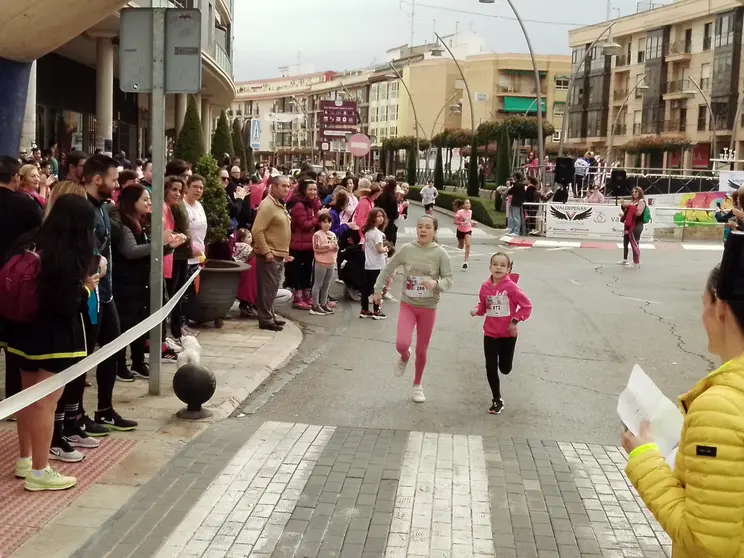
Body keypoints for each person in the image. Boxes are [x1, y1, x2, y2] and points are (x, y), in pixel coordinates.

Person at [621, 234, 744, 558]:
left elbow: (707, 545)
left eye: (702, 304)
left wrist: (645, 456)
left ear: (720, 309)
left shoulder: (720, 409)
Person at [1, 194, 98, 491]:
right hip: (54, 339)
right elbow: (67, 305)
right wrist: (87, 287)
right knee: (46, 403)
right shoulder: (68, 252)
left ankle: (25, 460)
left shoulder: (30, 239)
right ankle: (41, 473)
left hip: (20, 332)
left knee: (27, 398)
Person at [82, 154, 138, 433]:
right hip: (90, 292)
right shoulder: (84, 208)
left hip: (107, 291)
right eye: (113, 179)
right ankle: (75, 414)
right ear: (97, 179)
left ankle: (104, 409)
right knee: (84, 354)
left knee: (113, 349)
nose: (116, 185)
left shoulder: (104, 207)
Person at [373, 215, 453, 403]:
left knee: (422, 350)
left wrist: (436, 283)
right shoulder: (407, 249)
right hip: (408, 305)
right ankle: (404, 356)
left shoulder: (441, 253)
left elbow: (449, 279)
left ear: (434, 231)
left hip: (428, 307)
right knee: (402, 343)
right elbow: (388, 268)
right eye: (420, 227)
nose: (423, 230)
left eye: (427, 227)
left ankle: (418, 385)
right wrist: (378, 289)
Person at [470, 253, 532, 415]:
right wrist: (476, 310)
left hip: (507, 335)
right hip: (490, 333)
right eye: (495, 264)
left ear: (508, 269)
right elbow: (483, 307)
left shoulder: (511, 288)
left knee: (504, 368)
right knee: (490, 366)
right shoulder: (485, 287)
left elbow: (526, 306)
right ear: (490, 267)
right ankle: (497, 399)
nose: (498, 267)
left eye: (502, 265)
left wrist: (514, 321)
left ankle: (504, 365)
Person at [252, 175, 292, 332]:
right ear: (273, 187)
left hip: (278, 253)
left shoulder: (279, 204)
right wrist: (266, 251)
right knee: (267, 288)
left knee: (272, 288)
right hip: (269, 254)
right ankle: (265, 319)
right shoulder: (268, 205)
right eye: (283, 186)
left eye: (288, 186)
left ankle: (270, 315)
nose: (287, 189)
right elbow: (257, 230)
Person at [288, 177, 323, 310]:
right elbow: (304, 225)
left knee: (307, 271)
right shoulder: (299, 205)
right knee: (298, 272)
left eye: (315, 189)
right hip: (298, 244)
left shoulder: (313, 204)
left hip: (309, 244)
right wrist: (318, 217)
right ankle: (298, 298)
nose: (313, 192)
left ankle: (306, 296)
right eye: (310, 190)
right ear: (304, 190)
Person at [361, 208, 389, 320]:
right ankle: (376, 310)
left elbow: (364, 247)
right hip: (377, 264)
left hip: (368, 263)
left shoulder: (367, 232)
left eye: (382, 216)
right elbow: (379, 249)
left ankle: (364, 309)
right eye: (378, 216)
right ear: (373, 218)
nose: (381, 218)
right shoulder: (377, 233)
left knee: (367, 288)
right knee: (377, 288)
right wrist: (385, 249)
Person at [310, 213, 338, 316]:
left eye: (329, 222)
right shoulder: (317, 234)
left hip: (331, 261)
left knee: (326, 284)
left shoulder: (333, 234)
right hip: (321, 262)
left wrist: (335, 249)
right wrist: (329, 247)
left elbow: (335, 246)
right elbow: (316, 248)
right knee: (318, 284)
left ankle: (323, 303)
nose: (327, 224)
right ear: (320, 223)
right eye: (324, 222)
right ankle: (315, 305)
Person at [618, 187, 647, 269]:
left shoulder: (641, 202)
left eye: (636, 192)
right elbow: (629, 213)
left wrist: (630, 207)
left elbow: (638, 213)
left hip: (637, 225)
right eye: (633, 192)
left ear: (640, 193)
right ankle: (628, 260)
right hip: (630, 224)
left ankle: (636, 262)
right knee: (628, 242)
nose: (634, 193)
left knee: (634, 244)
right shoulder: (633, 202)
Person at [377, 178, 400, 246]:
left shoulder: (380, 196)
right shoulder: (393, 198)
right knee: (389, 242)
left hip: (380, 222)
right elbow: (394, 214)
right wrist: (398, 214)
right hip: (389, 223)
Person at [454, 199, 474, 270]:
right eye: (467, 203)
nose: (468, 205)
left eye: (469, 203)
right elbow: (455, 221)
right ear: (463, 205)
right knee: (461, 246)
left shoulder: (470, 212)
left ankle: (465, 262)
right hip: (460, 230)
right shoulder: (460, 212)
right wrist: (461, 223)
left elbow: (469, 220)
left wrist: (473, 222)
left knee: (468, 245)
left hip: (468, 230)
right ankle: (459, 246)